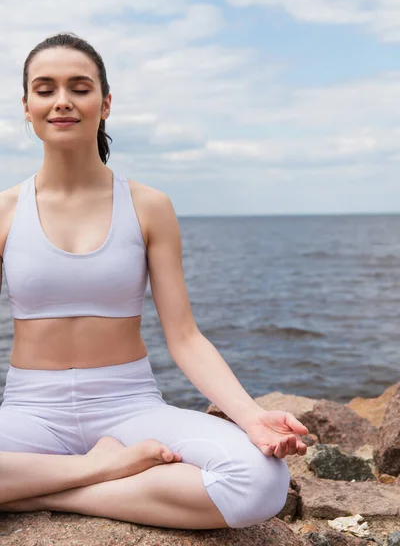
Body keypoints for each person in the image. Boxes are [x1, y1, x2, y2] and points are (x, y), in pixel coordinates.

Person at [0, 32, 309, 530]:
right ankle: (94, 472)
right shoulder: (5, 210)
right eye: (45, 88)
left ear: (105, 104)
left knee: (260, 482)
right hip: (29, 411)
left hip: (128, 406)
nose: (62, 101)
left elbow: (184, 337)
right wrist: (95, 465)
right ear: (26, 106)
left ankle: (41, 490)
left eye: (80, 88)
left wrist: (251, 417)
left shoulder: (148, 206)